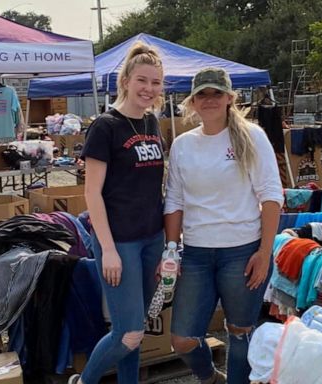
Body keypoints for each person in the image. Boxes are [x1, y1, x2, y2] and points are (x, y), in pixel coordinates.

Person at [164, 67, 284, 384]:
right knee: (183, 339)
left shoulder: (252, 137)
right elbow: (173, 200)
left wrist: (264, 251)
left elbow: (272, 196)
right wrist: (172, 250)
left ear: (230, 98)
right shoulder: (182, 145)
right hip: (196, 254)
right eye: (201, 94)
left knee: (240, 331)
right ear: (192, 101)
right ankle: (209, 376)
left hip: (243, 251)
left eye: (216, 93)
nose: (209, 100)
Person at [68, 42, 165, 384]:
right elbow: (91, 193)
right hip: (119, 241)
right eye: (142, 80)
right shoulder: (105, 126)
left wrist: (168, 243)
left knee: (136, 327)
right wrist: (107, 249)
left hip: (153, 238)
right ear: (125, 79)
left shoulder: (153, 122)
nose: (148, 89)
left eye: (155, 83)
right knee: (128, 333)